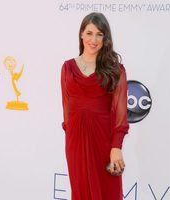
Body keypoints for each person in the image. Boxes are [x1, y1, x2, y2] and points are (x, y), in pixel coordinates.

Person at [61, 12, 129, 200]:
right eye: (89, 33)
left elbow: (121, 115)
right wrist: (72, 138)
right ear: (81, 34)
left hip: (104, 143)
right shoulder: (67, 68)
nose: (94, 39)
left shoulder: (115, 70)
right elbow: (66, 111)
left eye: (99, 34)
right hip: (75, 144)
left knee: (108, 193)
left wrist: (116, 147)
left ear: (105, 38)